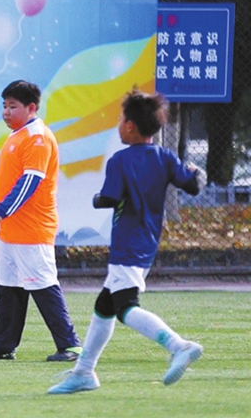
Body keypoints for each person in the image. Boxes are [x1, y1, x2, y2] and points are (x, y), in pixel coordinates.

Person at [48, 91, 206, 394]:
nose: (119, 125)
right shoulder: (166, 157)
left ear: (131, 126)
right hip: (146, 242)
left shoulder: (120, 160)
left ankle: (179, 346)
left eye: (121, 121)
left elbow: (109, 197)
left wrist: (96, 199)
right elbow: (193, 185)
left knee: (125, 307)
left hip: (127, 244)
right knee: (104, 306)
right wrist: (198, 171)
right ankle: (84, 372)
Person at [0, 80, 81, 362]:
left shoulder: (37, 137)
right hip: (12, 232)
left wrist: (2, 210)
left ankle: (70, 345)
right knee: (8, 289)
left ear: (31, 108)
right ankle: (3, 345)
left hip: (32, 229)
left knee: (44, 286)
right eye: (4, 106)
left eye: (13, 106)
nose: (6, 112)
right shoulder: (18, 135)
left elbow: (31, 180)